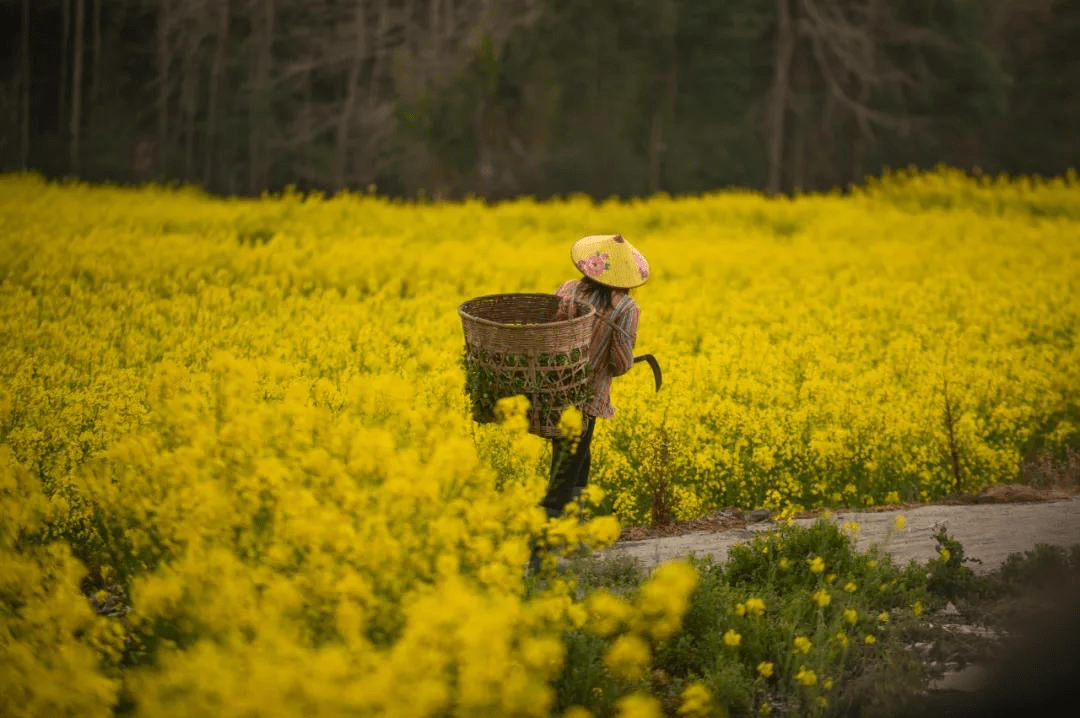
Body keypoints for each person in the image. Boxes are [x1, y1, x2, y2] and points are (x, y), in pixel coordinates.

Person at [539, 233, 649, 522]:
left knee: (575, 456)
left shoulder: (566, 289)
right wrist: (618, 364)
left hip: (551, 387)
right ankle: (545, 539)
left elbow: (547, 330)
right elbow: (621, 361)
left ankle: (575, 525)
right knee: (568, 463)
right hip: (586, 396)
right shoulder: (625, 307)